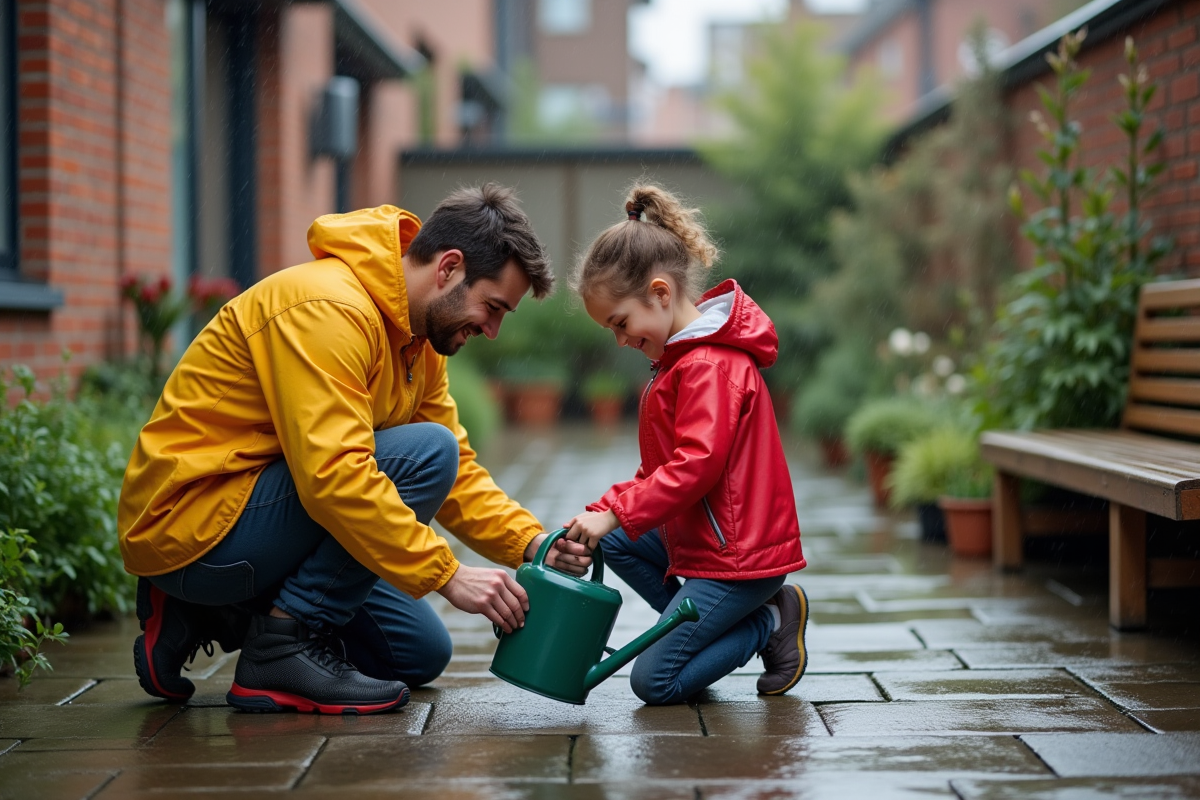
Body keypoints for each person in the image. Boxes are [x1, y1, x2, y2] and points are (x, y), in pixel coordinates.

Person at [119, 185, 592, 714]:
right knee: (425, 451)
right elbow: (335, 476)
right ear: (449, 267)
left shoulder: (416, 343)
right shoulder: (326, 309)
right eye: (493, 306)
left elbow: (456, 476)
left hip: (255, 516)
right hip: (193, 520)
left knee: (418, 654)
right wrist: (448, 575)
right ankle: (278, 651)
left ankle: (210, 611)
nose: (493, 329)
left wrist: (533, 544)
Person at [564, 183, 809, 706]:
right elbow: (660, 472)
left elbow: (695, 467)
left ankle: (765, 621)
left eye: (620, 323)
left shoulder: (708, 366)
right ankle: (700, 625)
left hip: (739, 558)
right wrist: (602, 513)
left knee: (654, 682)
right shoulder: (680, 363)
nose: (621, 339)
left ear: (660, 293)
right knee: (614, 536)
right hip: (703, 543)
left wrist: (616, 512)